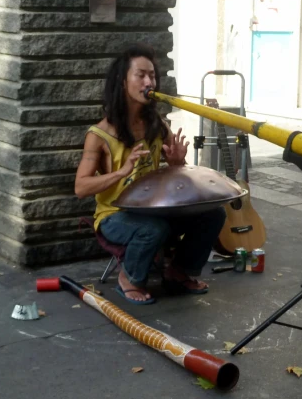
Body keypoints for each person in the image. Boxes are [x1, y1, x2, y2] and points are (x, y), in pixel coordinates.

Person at [74, 44, 226, 305]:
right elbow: (81, 187)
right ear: (123, 82)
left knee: (213, 214)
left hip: (155, 210)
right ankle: (129, 279)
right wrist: (121, 172)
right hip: (115, 215)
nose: (148, 81)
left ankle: (178, 271)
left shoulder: (158, 126)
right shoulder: (99, 135)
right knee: (154, 228)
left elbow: (175, 178)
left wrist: (177, 164)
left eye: (152, 76)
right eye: (141, 75)